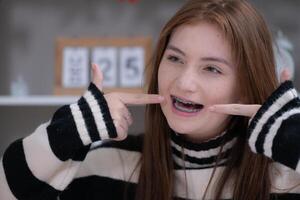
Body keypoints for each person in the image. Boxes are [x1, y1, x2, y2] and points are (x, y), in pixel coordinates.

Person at [1, 0, 300, 199]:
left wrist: (294, 140)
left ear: (246, 86)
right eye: (174, 58)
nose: (183, 82)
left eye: (212, 68)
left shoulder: (286, 175)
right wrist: (68, 132)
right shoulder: (104, 162)